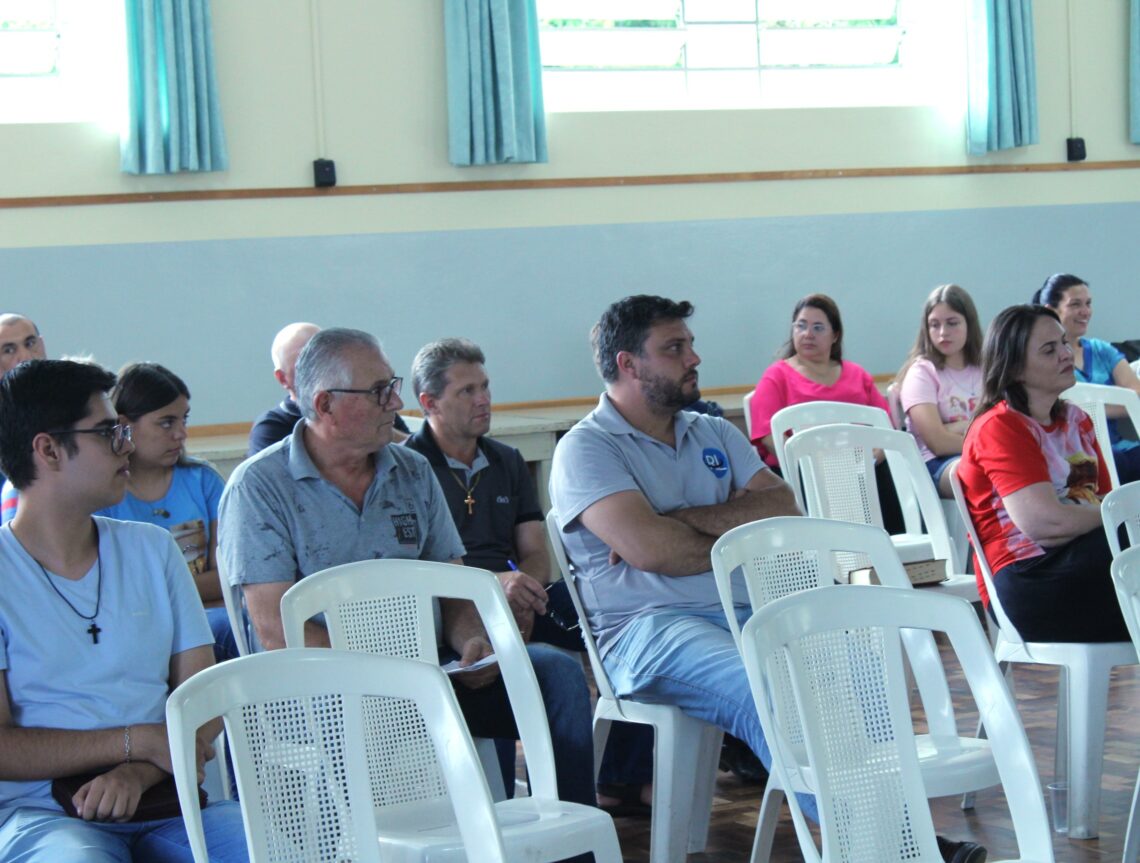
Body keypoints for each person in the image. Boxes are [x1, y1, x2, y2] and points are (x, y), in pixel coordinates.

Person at [218, 328, 594, 807]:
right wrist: (395, 677)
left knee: (557, 677)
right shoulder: (260, 487)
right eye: (378, 391)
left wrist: (469, 643)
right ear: (326, 404)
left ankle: (566, 849)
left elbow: (453, 588)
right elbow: (277, 629)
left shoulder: (412, 471)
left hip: (431, 672)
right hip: (324, 689)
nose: (395, 402)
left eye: (391, 386)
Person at [0, 360, 246, 862]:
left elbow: (203, 704)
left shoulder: (153, 551)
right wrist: (138, 740)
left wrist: (139, 769)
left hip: (167, 802)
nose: (127, 444)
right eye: (109, 431)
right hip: (42, 817)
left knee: (269, 850)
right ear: (48, 449)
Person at [405, 337, 611, 808]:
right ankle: (513, 803)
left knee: (606, 613)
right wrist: (497, 586)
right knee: (539, 668)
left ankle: (611, 778)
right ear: (429, 402)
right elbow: (428, 568)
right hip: (453, 609)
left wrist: (524, 585)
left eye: (486, 386)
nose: (483, 400)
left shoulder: (507, 460)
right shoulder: (410, 468)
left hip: (519, 595)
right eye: (467, 391)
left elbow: (533, 549)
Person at [958, 304, 1128, 642]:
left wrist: (1117, 513)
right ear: (1015, 367)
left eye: (1064, 343)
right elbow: (1045, 525)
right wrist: (1117, 514)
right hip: (1029, 581)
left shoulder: (1077, 420)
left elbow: (1107, 502)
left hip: (1083, 562)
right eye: (1050, 350)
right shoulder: (1001, 426)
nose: (1067, 354)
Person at [96, 362, 237, 662]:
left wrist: (158, 595)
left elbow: (228, 580)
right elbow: (117, 598)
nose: (181, 434)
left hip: (213, 626)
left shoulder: (204, 481)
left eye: (184, 420)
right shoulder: (103, 494)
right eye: (166, 422)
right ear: (124, 425)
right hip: (135, 634)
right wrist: (188, 594)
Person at [748, 292, 904, 532]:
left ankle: (892, 557)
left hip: (863, 470)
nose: (808, 334)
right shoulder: (777, 375)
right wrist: (820, 467)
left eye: (818, 327)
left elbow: (884, 429)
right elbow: (769, 437)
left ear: (835, 335)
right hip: (803, 473)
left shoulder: (857, 375)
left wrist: (869, 460)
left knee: (892, 474)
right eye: (801, 326)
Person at [1033, 273, 1140, 484]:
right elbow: (1052, 407)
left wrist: (1092, 408)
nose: (1085, 311)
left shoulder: (1102, 350)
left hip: (1115, 447)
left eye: (1088, 304)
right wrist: (1109, 406)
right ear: (1051, 310)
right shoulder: (1038, 358)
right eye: (1075, 304)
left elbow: (1135, 394)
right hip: (1071, 454)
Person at [249, 322, 408, 455]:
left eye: (327, 356)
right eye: (303, 364)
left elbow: (415, 452)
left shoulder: (377, 402)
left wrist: (379, 429)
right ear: (282, 378)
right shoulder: (271, 428)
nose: (395, 403)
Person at [895, 284, 983, 498]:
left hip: (976, 454)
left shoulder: (985, 367)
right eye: (934, 325)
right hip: (934, 464)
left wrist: (956, 427)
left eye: (952, 323)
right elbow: (938, 443)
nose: (943, 333)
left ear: (969, 325)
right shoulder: (922, 372)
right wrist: (989, 445)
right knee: (983, 475)